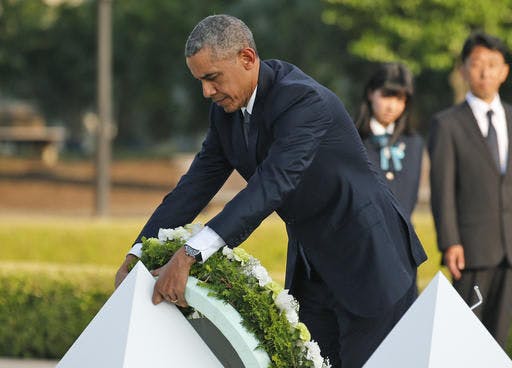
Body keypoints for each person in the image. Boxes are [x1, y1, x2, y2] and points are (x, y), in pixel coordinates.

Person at [115, 14, 427, 367]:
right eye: (199, 81)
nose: (206, 92)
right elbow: (195, 186)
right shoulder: (225, 112)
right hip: (313, 267)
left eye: (212, 78)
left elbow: (271, 185)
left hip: (370, 258)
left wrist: (189, 253)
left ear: (246, 58)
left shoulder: (303, 101)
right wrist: (139, 252)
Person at [429, 31, 512, 348]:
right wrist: (450, 241)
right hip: (471, 250)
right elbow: (442, 188)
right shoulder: (447, 124)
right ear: (463, 70)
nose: (485, 71)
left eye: (493, 64)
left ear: (504, 71)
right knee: (467, 339)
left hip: (509, 250)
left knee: (499, 339)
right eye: (476, 64)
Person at [355, 62, 423, 220]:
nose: (392, 106)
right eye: (386, 96)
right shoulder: (352, 139)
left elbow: (410, 197)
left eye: (400, 99)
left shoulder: (414, 143)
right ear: (371, 93)